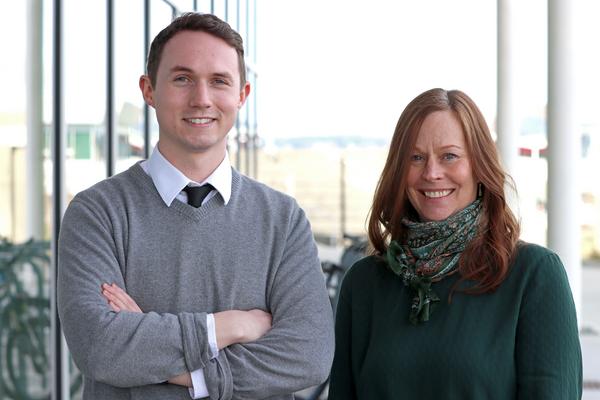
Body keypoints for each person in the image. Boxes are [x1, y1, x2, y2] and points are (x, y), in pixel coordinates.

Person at [58, 12, 334, 399]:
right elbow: (100, 348)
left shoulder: (283, 221)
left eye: (219, 81)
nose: (201, 99)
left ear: (242, 95)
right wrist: (231, 326)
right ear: (149, 90)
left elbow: (308, 355)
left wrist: (184, 373)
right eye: (182, 78)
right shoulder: (96, 214)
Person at [328, 88, 582, 399]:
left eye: (449, 155)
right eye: (416, 157)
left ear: (479, 166)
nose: (432, 173)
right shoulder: (364, 283)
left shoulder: (534, 275)